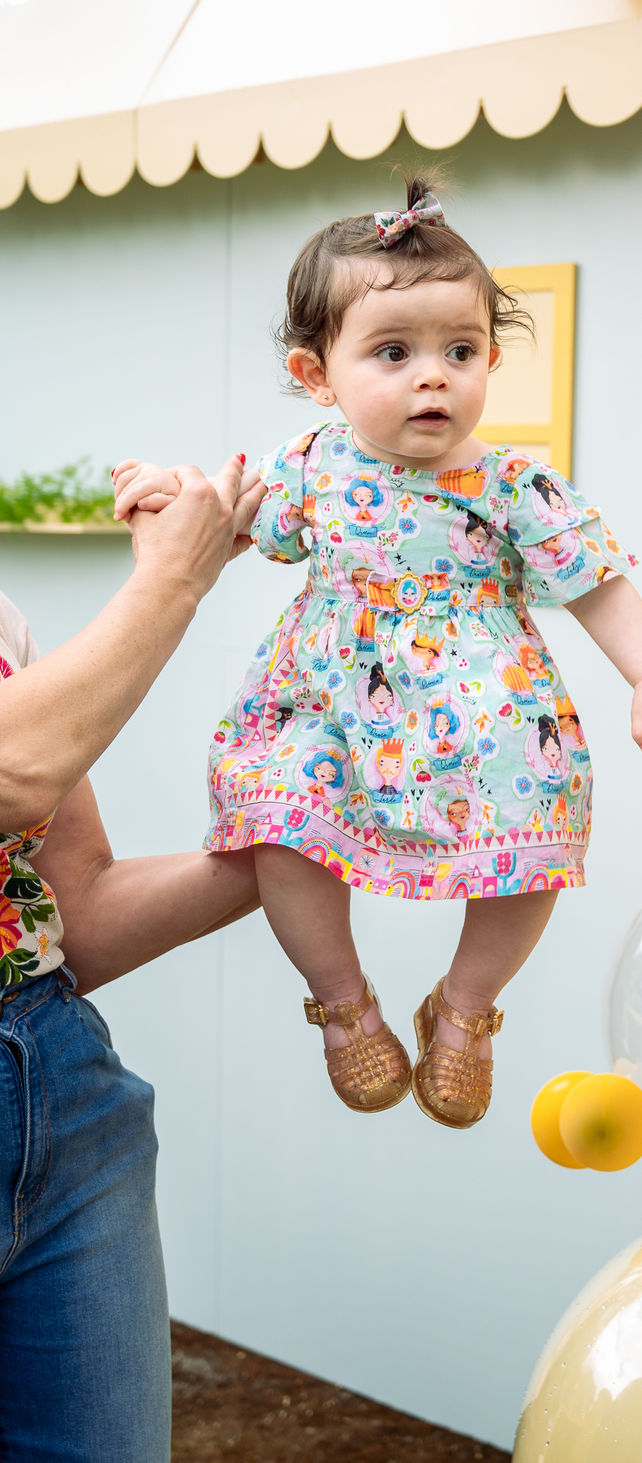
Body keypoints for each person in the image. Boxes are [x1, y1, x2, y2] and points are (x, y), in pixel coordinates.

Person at [115, 176, 642, 1133]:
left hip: (483, 706)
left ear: (490, 361)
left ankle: (466, 1007)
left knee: (538, 820)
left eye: (458, 351)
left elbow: (595, 580)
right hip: (331, 702)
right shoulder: (313, 465)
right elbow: (224, 526)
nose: (433, 376)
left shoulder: (516, 484)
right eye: (394, 352)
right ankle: (344, 1001)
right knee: (285, 811)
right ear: (319, 376)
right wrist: (166, 491)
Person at [0, 456, 265, 1463]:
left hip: (63, 1093)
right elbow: (12, 770)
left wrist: (301, 845)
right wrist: (171, 581)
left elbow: (83, 910)